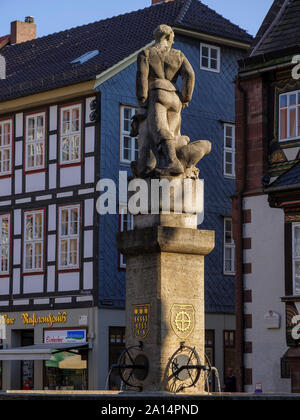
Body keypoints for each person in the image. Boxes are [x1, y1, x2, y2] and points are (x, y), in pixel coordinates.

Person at [133, 24, 195, 176]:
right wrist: (185, 97)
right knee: (173, 133)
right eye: (172, 39)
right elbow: (190, 74)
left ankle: (172, 162)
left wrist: (142, 101)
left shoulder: (146, 54)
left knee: (160, 130)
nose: (172, 42)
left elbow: (142, 79)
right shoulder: (178, 55)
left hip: (158, 94)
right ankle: (167, 162)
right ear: (168, 37)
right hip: (175, 97)